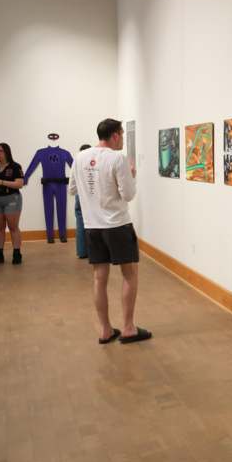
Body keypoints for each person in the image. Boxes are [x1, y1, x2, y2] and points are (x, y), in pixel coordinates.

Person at [69, 119, 150, 344]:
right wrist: (130, 175)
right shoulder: (117, 158)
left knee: (99, 278)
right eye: (122, 135)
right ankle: (128, 328)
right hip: (117, 225)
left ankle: (105, 330)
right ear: (114, 135)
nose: (122, 139)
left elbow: (73, 189)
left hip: (92, 226)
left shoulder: (79, 158)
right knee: (130, 274)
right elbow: (128, 195)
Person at [74, 144, 91, 259]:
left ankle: (81, 252)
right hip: (91, 196)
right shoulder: (93, 164)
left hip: (79, 194)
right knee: (92, 224)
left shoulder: (76, 163)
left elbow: (72, 184)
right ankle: (93, 252)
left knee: (80, 223)